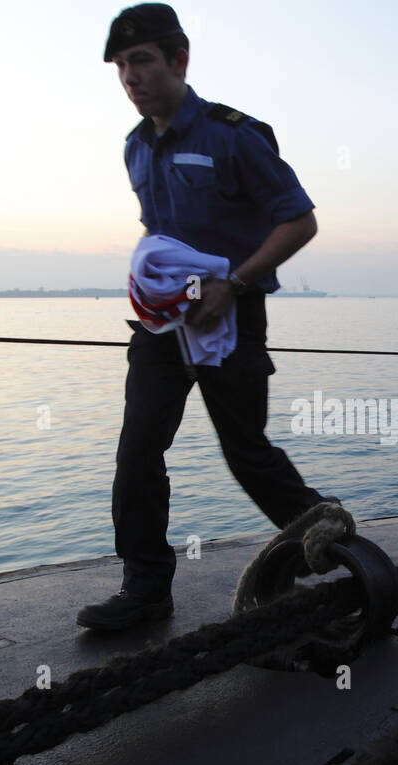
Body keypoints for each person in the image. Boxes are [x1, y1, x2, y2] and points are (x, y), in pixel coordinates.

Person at [78, 2, 331, 630]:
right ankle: (145, 590)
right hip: (162, 328)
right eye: (120, 67)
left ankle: (331, 549)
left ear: (179, 60)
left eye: (141, 61)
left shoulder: (232, 135)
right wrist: (149, 282)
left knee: (247, 452)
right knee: (137, 451)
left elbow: (299, 221)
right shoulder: (135, 148)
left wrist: (234, 283)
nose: (130, 78)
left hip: (232, 320)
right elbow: (160, 232)